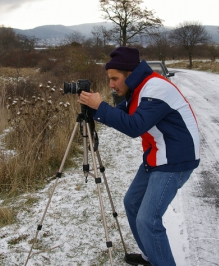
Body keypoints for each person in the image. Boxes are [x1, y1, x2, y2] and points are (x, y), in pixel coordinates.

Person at [77, 46, 200, 266]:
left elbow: (135, 126)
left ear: (130, 75)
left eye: (114, 79)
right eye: (109, 79)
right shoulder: (138, 87)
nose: (111, 84)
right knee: (132, 203)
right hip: (158, 154)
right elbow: (124, 113)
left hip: (176, 159)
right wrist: (94, 110)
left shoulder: (155, 88)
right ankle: (151, 256)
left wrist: (101, 106)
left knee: (147, 220)